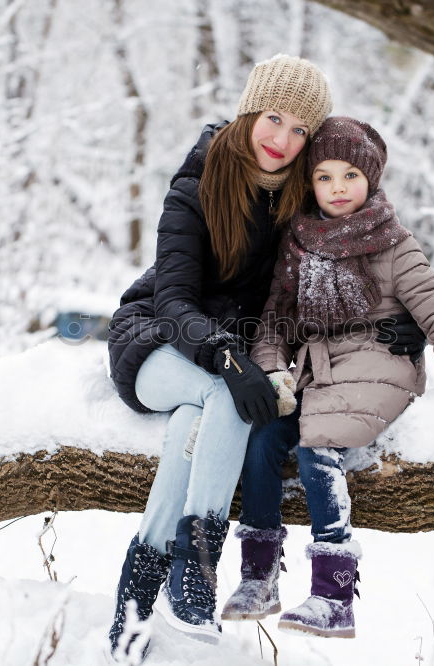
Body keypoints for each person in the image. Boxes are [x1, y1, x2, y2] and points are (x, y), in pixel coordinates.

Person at [220, 117, 434, 639]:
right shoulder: (299, 245)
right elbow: (274, 323)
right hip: (318, 372)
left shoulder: (393, 243)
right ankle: (258, 574)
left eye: (351, 175)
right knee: (265, 437)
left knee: (319, 444)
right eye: (325, 177)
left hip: (381, 366)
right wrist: (273, 374)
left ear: (372, 178)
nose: (338, 189)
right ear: (310, 183)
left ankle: (334, 594)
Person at [104, 55, 333, 660]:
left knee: (194, 421)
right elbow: (175, 299)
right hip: (155, 341)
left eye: (300, 130)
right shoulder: (199, 180)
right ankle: (197, 575)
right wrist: (230, 361)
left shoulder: (298, 202)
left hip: (221, 354)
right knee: (218, 395)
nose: (282, 140)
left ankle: (132, 606)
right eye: (274, 118)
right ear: (250, 110)